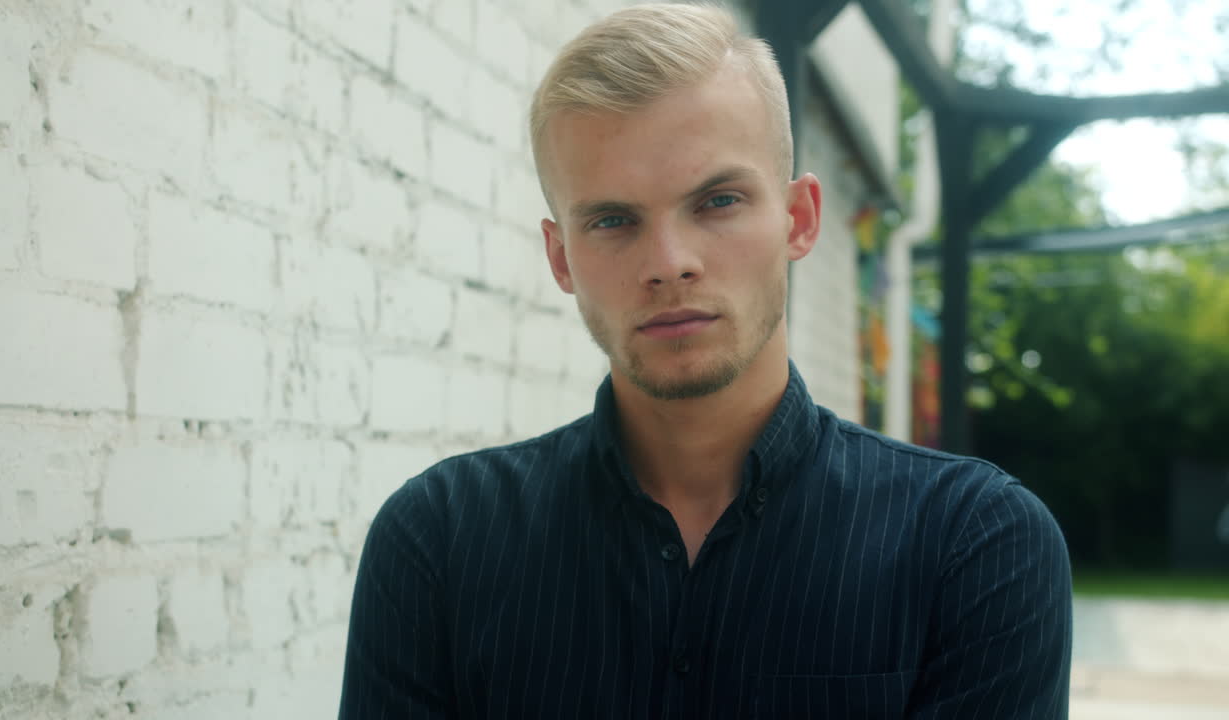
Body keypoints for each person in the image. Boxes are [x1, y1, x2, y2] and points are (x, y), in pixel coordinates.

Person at [338, 4, 1072, 718]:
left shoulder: (975, 548)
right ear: (562, 258)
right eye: (613, 220)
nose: (669, 263)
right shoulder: (439, 541)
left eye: (716, 201)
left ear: (799, 219)